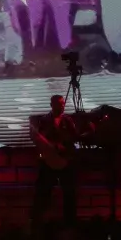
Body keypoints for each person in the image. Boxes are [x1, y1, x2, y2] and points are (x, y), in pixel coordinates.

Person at [30, 94, 79, 223]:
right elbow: (38, 138)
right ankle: (38, 221)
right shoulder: (43, 121)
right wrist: (51, 146)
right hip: (48, 161)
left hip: (65, 160)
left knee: (69, 192)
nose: (62, 106)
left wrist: (65, 148)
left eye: (63, 104)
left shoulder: (68, 121)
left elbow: (74, 138)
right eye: (59, 104)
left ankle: (70, 223)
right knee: (43, 191)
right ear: (52, 105)